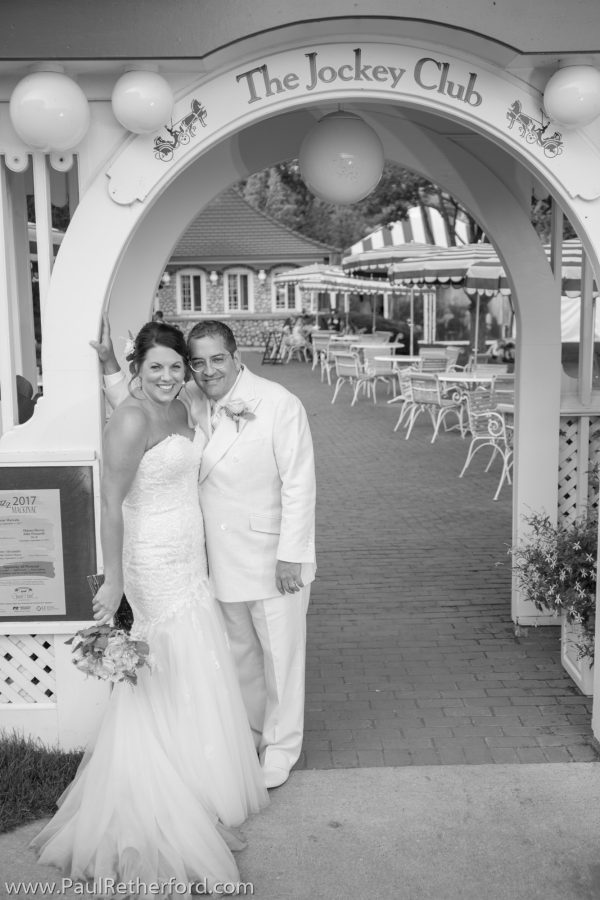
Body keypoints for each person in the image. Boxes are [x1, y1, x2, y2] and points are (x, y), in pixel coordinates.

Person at [31, 322, 268, 890]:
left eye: (175, 367)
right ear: (140, 369)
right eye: (155, 367)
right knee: (165, 661)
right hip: (152, 563)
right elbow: (110, 502)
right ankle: (160, 788)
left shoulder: (181, 406)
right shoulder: (132, 416)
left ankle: (197, 775)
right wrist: (113, 580)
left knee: (194, 660)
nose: (168, 377)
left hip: (190, 557)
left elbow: (139, 401)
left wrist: (112, 362)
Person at [94, 316, 316, 790]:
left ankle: (281, 748)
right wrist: (111, 363)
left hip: (272, 555)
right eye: (198, 362)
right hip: (210, 560)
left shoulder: (279, 403)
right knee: (240, 655)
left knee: (281, 655)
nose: (207, 370)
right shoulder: (191, 398)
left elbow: (300, 483)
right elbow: (135, 406)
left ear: (236, 357)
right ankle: (252, 734)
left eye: (217, 359)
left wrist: (292, 554)